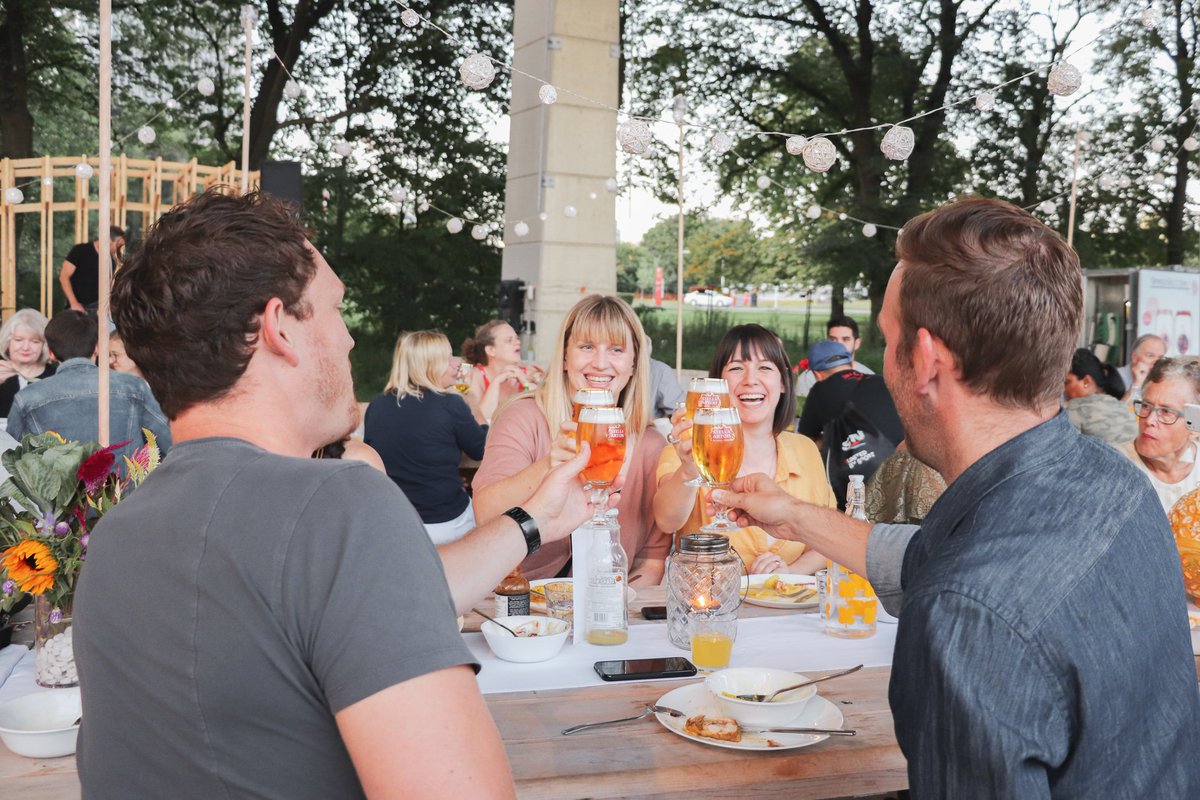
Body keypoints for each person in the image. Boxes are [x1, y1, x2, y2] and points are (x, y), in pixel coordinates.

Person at [74, 188, 591, 798]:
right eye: (336, 310)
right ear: (278, 330)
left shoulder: (115, 535)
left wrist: (533, 521)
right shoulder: (340, 506)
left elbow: (372, 595)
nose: (348, 341)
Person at [716, 197, 1200, 795]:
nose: (880, 363)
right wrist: (793, 514)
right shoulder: (1114, 479)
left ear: (925, 361)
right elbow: (934, 556)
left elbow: (966, 589)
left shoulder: (965, 614)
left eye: (887, 340)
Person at [473, 294, 669, 584]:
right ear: (565, 357)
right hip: (525, 607)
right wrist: (549, 466)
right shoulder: (523, 417)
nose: (601, 363)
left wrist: (610, 613)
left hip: (610, 613)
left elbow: (650, 562)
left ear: (633, 363)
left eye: (616, 349)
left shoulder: (651, 443)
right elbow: (485, 514)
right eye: (587, 347)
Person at [654, 324, 834, 574]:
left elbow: (828, 540)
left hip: (788, 609)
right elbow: (666, 520)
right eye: (737, 368)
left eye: (765, 368)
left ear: (783, 383)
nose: (751, 380)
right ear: (718, 384)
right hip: (709, 608)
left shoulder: (804, 449)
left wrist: (787, 574)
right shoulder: (687, 449)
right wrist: (688, 470)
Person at [364, 330, 489, 545]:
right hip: (446, 523)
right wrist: (475, 407)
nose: (456, 363)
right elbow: (481, 450)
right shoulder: (451, 404)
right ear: (431, 364)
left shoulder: (377, 406)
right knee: (488, 514)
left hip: (396, 522)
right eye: (448, 357)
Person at [6, 310, 170, 462]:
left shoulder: (27, 398)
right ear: (98, 347)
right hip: (127, 492)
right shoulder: (134, 388)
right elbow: (169, 442)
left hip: (53, 493)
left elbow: (11, 458)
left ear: (51, 353)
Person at [1119, 357, 1200, 515]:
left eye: (1166, 412)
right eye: (1146, 406)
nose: (1149, 420)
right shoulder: (1114, 465)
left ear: (1194, 428)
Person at [795, 339, 904, 447]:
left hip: (864, 462)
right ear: (851, 364)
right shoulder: (881, 381)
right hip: (904, 457)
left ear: (817, 374)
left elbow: (805, 440)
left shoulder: (819, 392)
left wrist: (829, 440)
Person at [462, 319, 541, 416]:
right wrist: (496, 383)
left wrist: (526, 383)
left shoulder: (528, 374)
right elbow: (479, 422)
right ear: (491, 350)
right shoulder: (474, 375)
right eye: (509, 340)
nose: (517, 342)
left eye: (517, 338)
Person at [1063, 347, 1136, 446]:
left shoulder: (1076, 408)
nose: (1063, 389)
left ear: (1086, 381)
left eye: (1067, 382)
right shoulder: (1121, 407)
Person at [794, 315, 875, 397]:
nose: (838, 344)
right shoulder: (809, 378)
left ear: (857, 343)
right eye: (833, 339)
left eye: (845, 339)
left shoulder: (868, 376)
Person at [0, 309, 56, 417]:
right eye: (18, 340)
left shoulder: (56, 377)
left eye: (35, 341)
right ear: (8, 342)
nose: (25, 347)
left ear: (44, 345)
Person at [59, 225, 125, 312]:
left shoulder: (111, 261)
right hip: (77, 306)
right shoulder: (80, 250)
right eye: (118, 245)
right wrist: (74, 303)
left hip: (97, 308)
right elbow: (64, 277)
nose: (118, 249)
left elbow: (107, 287)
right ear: (109, 240)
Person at [1118, 333, 1167, 403]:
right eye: (1150, 356)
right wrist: (1137, 384)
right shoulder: (1116, 376)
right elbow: (1117, 413)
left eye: (1160, 357)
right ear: (1134, 357)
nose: (1156, 361)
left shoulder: (1161, 380)